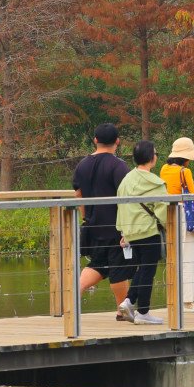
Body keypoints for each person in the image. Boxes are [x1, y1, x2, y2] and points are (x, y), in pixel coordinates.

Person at [71, 123, 136, 317]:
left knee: (97, 264)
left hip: (93, 224)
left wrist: (85, 218)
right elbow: (126, 196)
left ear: (95, 140)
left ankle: (72, 293)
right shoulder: (118, 166)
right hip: (115, 225)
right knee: (119, 269)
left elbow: (78, 194)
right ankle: (122, 311)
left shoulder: (82, 164)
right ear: (117, 141)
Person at [114, 140, 167, 324]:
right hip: (148, 231)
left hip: (131, 232)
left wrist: (123, 232)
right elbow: (163, 211)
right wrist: (168, 226)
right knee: (148, 270)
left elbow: (120, 206)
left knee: (142, 269)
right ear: (152, 158)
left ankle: (129, 302)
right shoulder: (156, 183)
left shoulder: (126, 180)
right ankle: (143, 312)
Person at [161, 136, 194, 312]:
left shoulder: (164, 169)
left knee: (183, 257)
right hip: (184, 214)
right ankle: (185, 301)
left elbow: (174, 188)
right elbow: (193, 195)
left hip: (171, 213)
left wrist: (193, 184)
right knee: (188, 258)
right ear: (186, 157)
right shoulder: (185, 171)